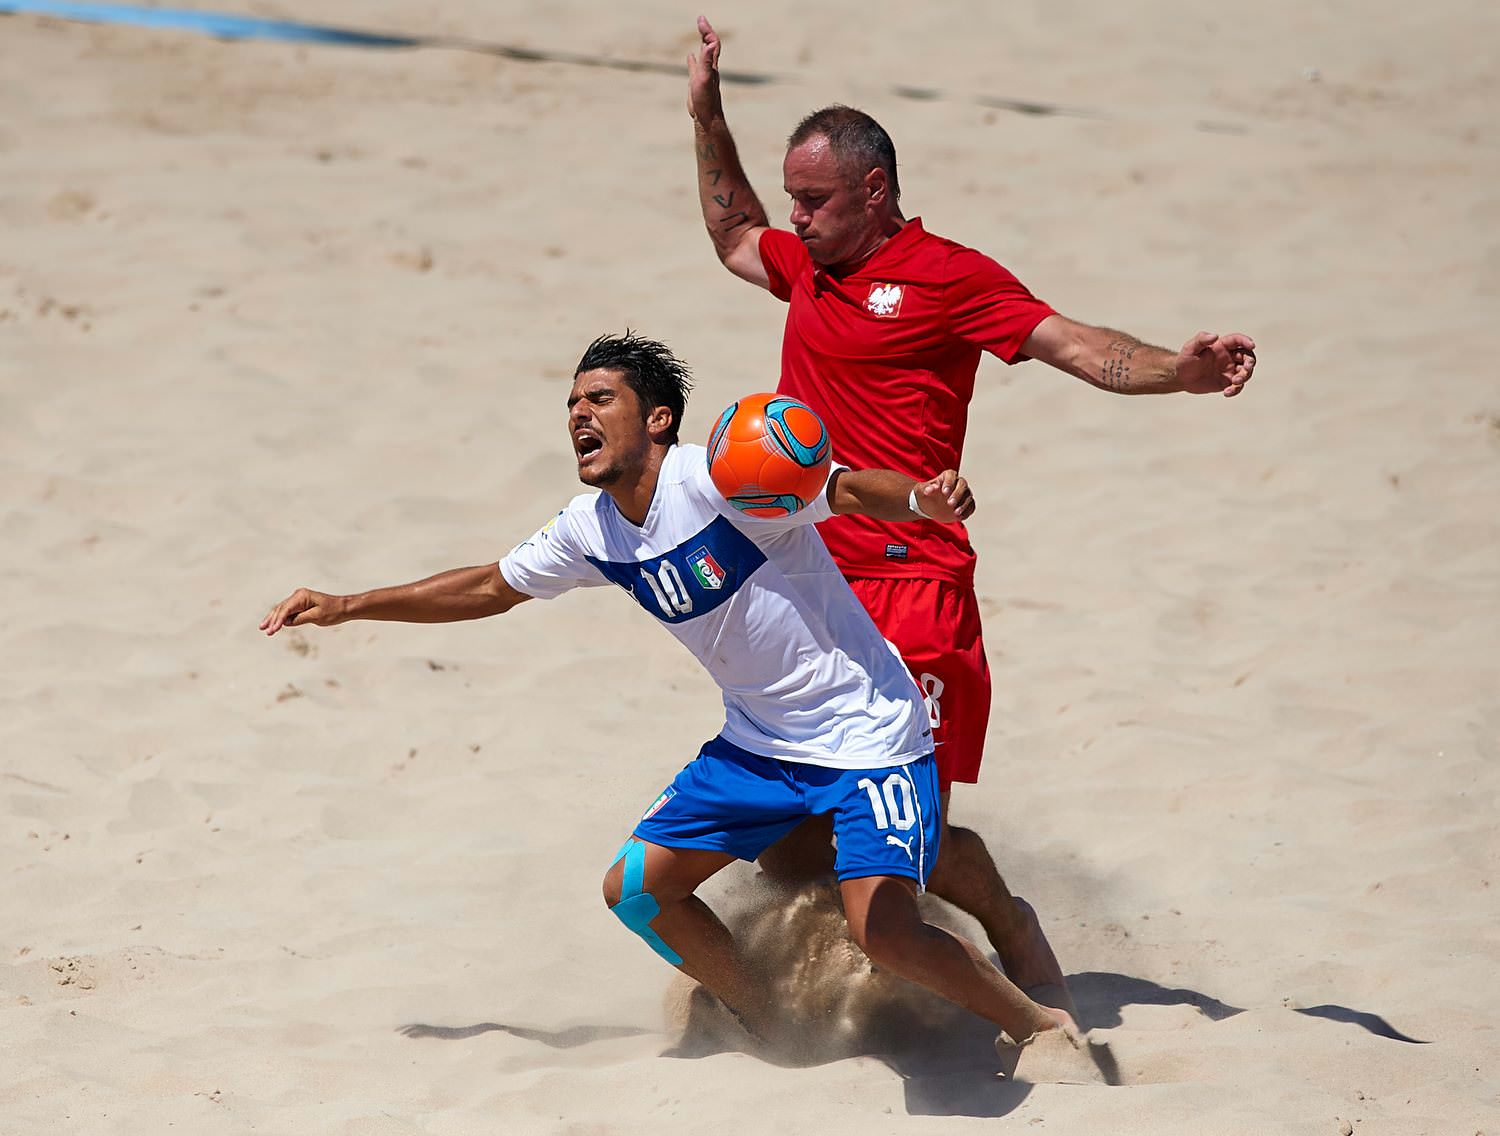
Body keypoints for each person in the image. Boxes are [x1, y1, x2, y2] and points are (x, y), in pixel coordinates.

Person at [259, 332, 1105, 1072]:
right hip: (760, 747)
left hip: (867, 735)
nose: (578, 416)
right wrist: (347, 604)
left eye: (601, 398)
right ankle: (765, 1017)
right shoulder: (592, 528)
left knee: (880, 928)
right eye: (570, 404)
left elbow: (844, 489)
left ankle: (1035, 1027)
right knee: (633, 889)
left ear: (657, 417)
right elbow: (487, 585)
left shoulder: (721, 477)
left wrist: (921, 498)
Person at [685, 16, 1258, 1005]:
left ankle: (1005, 919)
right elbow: (735, 233)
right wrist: (707, 112)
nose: (797, 218)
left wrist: (1182, 371)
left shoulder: (950, 278)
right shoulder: (809, 264)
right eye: (793, 198)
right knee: (785, 840)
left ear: (875, 191)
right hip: (808, 580)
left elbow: (1079, 346)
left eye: (814, 200)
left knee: (898, 837)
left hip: (914, 589)